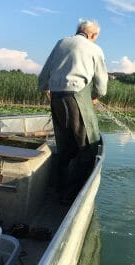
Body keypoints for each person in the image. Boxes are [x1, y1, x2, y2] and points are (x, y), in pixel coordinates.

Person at [38, 19, 108, 203]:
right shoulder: (94, 49)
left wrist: (47, 90)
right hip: (76, 98)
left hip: (57, 99)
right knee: (85, 147)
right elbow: (101, 85)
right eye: (96, 37)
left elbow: (44, 76)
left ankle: (58, 189)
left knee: (65, 146)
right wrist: (94, 96)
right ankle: (70, 196)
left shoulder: (61, 43)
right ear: (92, 35)